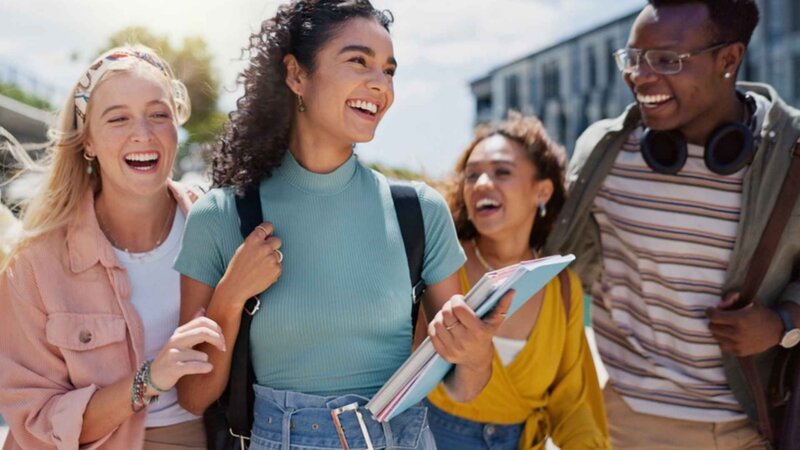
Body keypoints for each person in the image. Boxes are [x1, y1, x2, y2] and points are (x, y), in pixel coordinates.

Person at [173, 1, 510, 449]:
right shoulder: (221, 216)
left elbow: (465, 387)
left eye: (389, 71)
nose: (380, 84)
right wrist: (231, 296)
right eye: (358, 61)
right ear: (296, 75)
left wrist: (477, 350)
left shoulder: (420, 212)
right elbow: (194, 396)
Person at [545, 0, 800, 448]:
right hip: (625, 423)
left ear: (728, 59)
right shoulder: (603, 152)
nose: (640, 76)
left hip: (748, 430)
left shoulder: (791, 155)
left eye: (666, 60)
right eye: (633, 58)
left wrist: (783, 321)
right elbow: (553, 267)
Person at [0, 46, 226, 449]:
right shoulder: (34, 263)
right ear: (87, 142)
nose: (143, 134)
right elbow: (35, 421)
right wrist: (149, 379)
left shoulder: (220, 225)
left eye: (159, 114)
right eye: (118, 118)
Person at [423, 113, 610, 450]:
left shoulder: (563, 288)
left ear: (543, 191)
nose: (481, 184)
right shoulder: (441, 265)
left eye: (502, 172)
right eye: (471, 175)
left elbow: (573, 405)